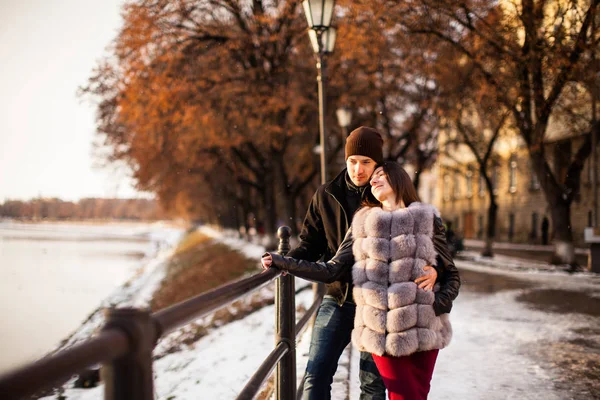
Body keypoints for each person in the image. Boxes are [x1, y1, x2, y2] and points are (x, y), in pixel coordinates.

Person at [263, 162, 461, 400]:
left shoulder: (427, 220)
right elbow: (330, 270)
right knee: (402, 394)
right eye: (373, 177)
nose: (374, 180)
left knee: (417, 396)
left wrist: (436, 304)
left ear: (398, 179)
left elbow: (452, 274)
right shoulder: (363, 223)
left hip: (426, 329)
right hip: (382, 333)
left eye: (381, 175)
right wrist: (283, 262)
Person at [266, 126, 387, 399]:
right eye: (352, 161)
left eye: (366, 162)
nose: (358, 169)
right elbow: (311, 244)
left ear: (377, 163)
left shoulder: (388, 192)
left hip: (378, 303)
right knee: (316, 374)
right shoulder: (326, 194)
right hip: (338, 296)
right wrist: (286, 262)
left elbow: (418, 233)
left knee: (372, 386)